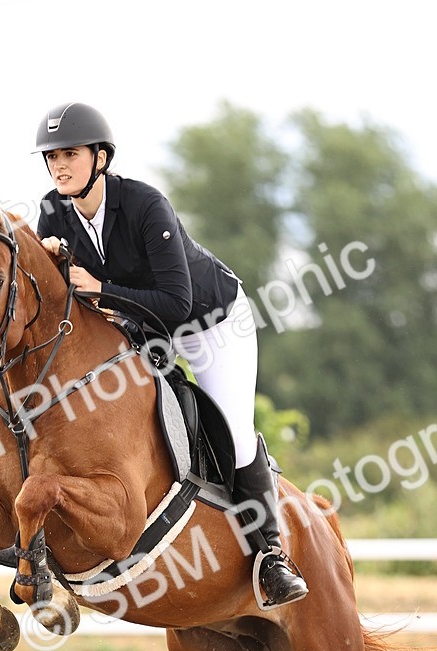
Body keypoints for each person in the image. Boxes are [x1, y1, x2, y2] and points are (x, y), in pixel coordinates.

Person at [33, 101, 307, 608]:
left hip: (210, 322)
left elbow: (176, 302)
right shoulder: (53, 212)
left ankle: (271, 555)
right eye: (52, 157)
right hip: (141, 327)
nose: (59, 167)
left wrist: (101, 289)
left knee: (233, 430)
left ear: (100, 158)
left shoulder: (144, 205)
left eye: (70, 154)